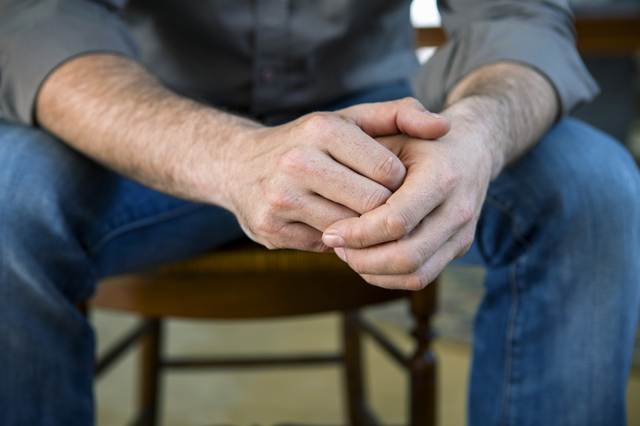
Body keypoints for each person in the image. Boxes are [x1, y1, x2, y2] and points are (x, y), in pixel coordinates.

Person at [0, 0, 638, 425]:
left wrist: (478, 137)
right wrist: (230, 156)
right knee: (7, 193)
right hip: (157, 120)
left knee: (594, 184)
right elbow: (39, 21)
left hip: (375, 125)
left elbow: (518, 16)